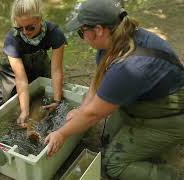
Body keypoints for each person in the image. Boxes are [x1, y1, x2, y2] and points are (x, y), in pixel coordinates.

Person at [44, 0, 184, 180]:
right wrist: (80, 110)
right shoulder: (114, 40)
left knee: (112, 164)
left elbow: (93, 115)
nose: (82, 36)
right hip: (143, 103)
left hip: (169, 118)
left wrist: (61, 134)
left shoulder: (129, 67)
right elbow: (97, 81)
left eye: (81, 32)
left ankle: (170, 175)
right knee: (107, 137)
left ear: (99, 30)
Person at [0, 0, 66, 128]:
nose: (25, 32)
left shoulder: (55, 33)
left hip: (38, 60)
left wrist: (57, 100)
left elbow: (56, 70)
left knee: (46, 94)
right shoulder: (12, 39)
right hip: (13, 70)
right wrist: (25, 111)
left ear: (40, 19)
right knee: (15, 104)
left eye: (30, 27)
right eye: (19, 27)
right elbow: (21, 79)